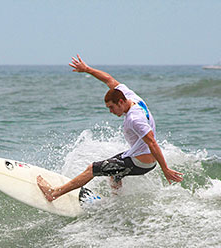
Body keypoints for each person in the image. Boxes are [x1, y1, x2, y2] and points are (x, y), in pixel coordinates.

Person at [37, 54, 183, 202]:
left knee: (92, 169)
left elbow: (152, 142)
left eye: (112, 107)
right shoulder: (130, 96)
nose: (111, 112)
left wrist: (165, 169)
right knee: (114, 173)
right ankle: (116, 202)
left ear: (120, 102)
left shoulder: (134, 119)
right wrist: (87, 69)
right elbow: (109, 80)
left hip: (142, 162)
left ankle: (53, 194)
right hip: (136, 155)